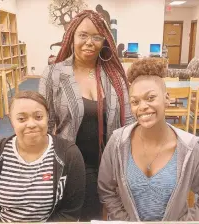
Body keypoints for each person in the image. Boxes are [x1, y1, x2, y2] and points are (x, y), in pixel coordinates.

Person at [39, 10, 135, 221]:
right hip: (67, 164)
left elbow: (129, 122)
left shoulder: (114, 76)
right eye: (83, 35)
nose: (89, 42)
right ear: (71, 36)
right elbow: (44, 125)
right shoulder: (54, 74)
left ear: (105, 41)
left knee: (93, 216)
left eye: (96, 37)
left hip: (104, 163)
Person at [98, 58, 199, 221]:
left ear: (167, 99)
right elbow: (106, 190)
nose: (142, 107)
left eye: (150, 98)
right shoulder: (117, 142)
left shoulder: (191, 148)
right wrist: (124, 219)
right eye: (135, 102)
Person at [0, 91, 85, 222]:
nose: (31, 124)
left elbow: (70, 212)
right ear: (11, 121)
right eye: (21, 119)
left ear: (48, 117)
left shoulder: (69, 155)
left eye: (38, 117)